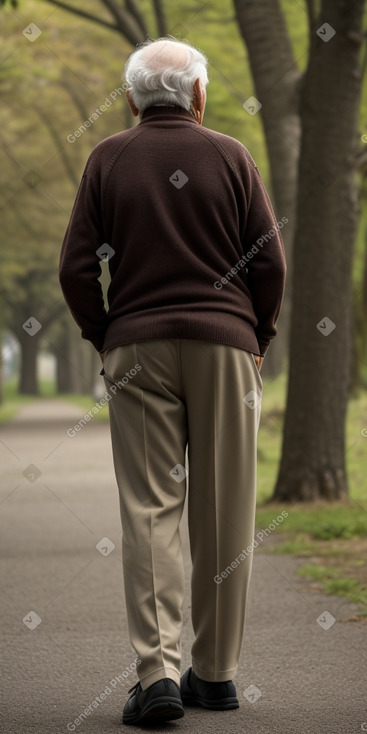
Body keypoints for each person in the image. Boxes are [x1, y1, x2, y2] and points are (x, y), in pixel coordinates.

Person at [59, 36, 286, 726]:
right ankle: (214, 676)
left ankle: (155, 675)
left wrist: (106, 337)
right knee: (224, 512)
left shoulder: (107, 157)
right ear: (198, 96)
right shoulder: (230, 155)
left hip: (137, 348)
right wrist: (258, 338)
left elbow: (74, 269)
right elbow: (268, 263)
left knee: (150, 510)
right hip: (225, 345)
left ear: (130, 99)